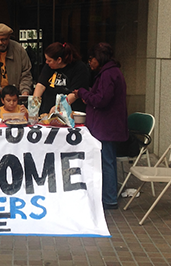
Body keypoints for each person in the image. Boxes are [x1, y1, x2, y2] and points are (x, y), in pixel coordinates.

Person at [74, 42, 128, 210]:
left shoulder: (107, 74)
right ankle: (108, 196)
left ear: (99, 58)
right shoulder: (113, 72)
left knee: (107, 161)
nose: (90, 62)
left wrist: (83, 92)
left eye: (91, 59)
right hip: (108, 125)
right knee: (107, 160)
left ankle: (110, 199)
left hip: (107, 127)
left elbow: (101, 100)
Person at [33, 42, 89, 115]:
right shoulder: (49, 66)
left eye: (49, 60)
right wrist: (34, 105)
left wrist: (58, 107)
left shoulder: (79, 68)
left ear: (59, 60)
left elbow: (75, 94)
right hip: (47, 111)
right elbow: (40, 85)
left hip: (70, 113)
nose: (46, 62)